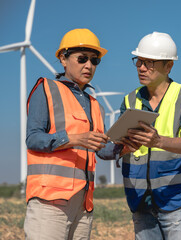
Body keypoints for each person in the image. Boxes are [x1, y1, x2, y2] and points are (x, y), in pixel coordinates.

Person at [24, 28, 110, 240]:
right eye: (82, 59)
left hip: (83, 204)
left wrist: (126, 145)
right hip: (49, 202)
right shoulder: (46, 89)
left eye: (94, 60)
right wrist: (74, 139)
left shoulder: (95, 104)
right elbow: (33, 138)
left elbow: (103, 150)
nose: (88, 65)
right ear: (63, 58)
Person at [121, 31, 181, 240]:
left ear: (168, 66)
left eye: (149, 63)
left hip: (178, 200)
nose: (141, 67)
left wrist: (158, 141)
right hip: (140, 201)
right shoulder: (129, 101)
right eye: (139, 61)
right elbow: (121, 145)